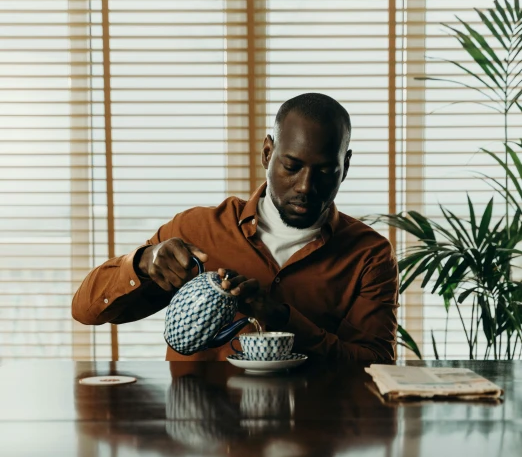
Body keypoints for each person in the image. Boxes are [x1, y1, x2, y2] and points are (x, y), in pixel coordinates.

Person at [72, 92, 398, 362]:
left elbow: (375, 363)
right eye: (291, 166)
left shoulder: (369, 255)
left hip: (310, 428)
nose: (305, 186)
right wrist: (143, 263)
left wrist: (282, 317)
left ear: (346, 167)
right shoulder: (196, 230)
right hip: (197, 428)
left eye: (326, 171)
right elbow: (86, 311)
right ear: (267, 153)